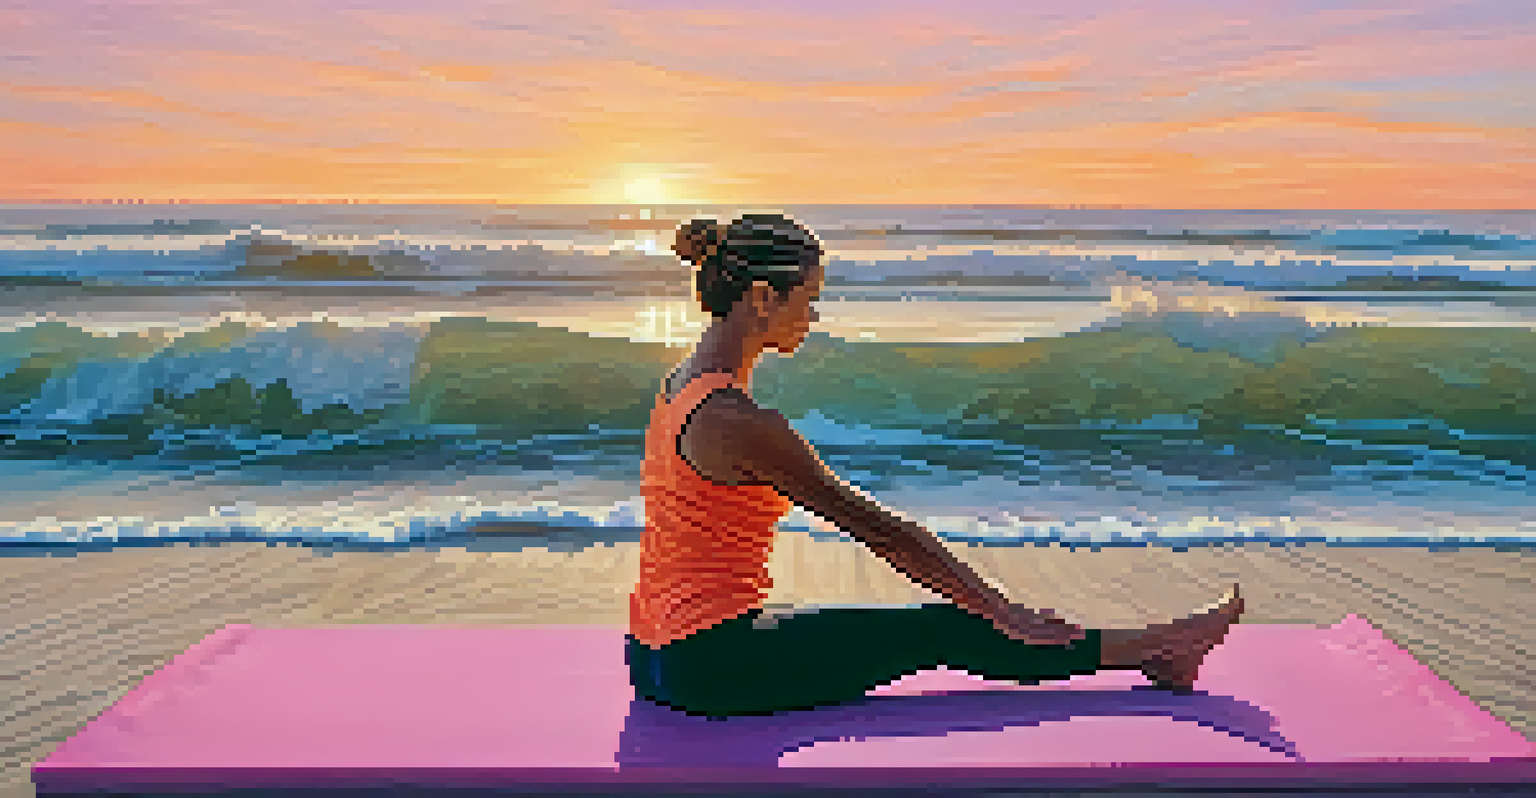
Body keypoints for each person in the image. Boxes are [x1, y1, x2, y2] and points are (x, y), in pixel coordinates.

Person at [627, 213, 1243, 718]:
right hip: (708, 669)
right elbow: (885, 534)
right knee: (946, 628)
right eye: (807, 301)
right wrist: (999, 608)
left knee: (858, 620)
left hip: (650, 654)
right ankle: (1159, 648)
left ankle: (1149, 648)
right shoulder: (742, 424)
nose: (811, 319)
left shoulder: (680, 387)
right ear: (762, 299)